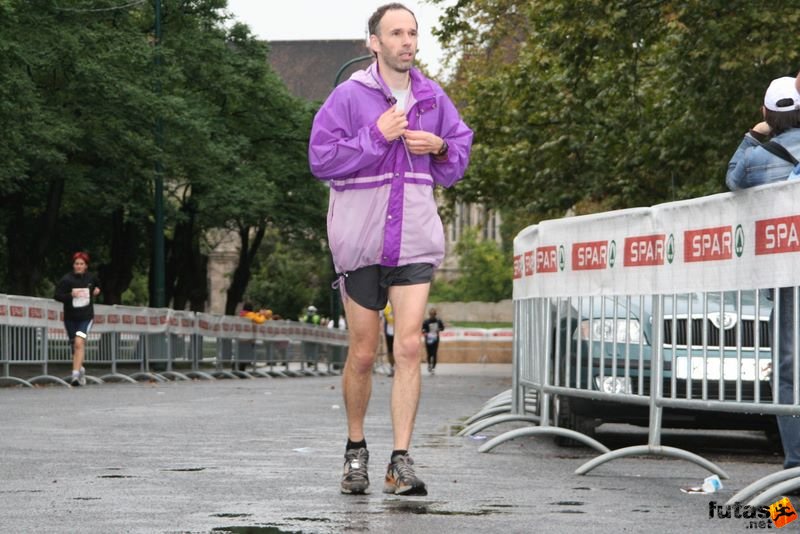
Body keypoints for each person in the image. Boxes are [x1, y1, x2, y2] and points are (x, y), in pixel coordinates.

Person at [308, 3, 473, 496]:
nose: (407, 41)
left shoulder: (431, 96)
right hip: (361, 241)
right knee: (362, 353)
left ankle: (400, 460)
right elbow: (321, 159)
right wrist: (374, 137)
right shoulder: (348, 96)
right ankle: (355, 450)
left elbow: (459, 154)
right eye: (396, 33)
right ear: (373, 43)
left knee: (407, 346)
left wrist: (440, 147)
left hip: (415, 239)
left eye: (412, 33)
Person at [726, 75, 800, 473]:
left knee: (789, 371)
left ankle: (794, 467)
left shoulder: (757, 156)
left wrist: (755, 135)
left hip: (789, 280)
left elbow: (733, 180)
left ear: (766, 113)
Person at [53, 251, 101, 386]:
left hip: (85, 318)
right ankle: (80, 369)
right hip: (70, 318)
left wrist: (97, 290)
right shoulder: (66, 280)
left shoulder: (91, 278)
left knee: (79, 342)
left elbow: (98, 286)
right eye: (76, 264)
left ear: (86, 266)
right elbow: (57, 296)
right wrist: (70, 295)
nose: (79, 266)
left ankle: (74, 376)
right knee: (74, 345)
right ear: (73, 265)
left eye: (82, 264)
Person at [421, 308, 444, 374]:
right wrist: (424, 332)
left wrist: (439, 329)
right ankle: (429, 365)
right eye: (431, 314)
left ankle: (433, 367)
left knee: (434, 354)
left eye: (433, 314)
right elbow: (422, 329)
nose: (432, 316)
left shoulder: (438, 321)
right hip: (428, 339)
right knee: (429, 354)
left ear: (435, 314)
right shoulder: (426, 322)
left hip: (435, 339)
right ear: (429, 314)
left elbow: (442, 328)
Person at [381, 302, 396, 377]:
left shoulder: (398, 300)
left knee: (398, 351)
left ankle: (399, 368)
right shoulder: (385, 303)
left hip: (398, 331)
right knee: (390, 351)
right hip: (389, 332)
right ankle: (392, 368)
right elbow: (381, 317)